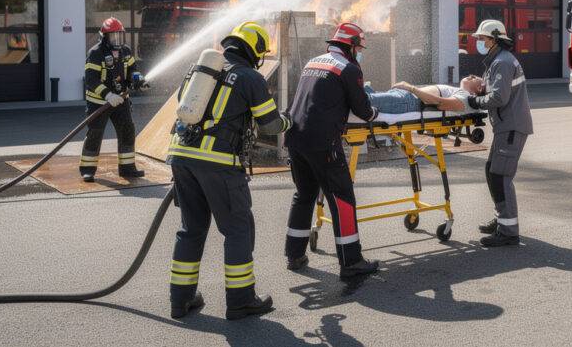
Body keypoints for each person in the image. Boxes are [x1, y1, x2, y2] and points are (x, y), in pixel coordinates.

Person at [166, 21, 292, 320]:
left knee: (191, 229)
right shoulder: (250, 77)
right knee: (238, 229)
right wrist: (290, 119)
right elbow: (271, 125)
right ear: (255, 52)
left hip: (181, 155)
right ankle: (241, 299)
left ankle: (180, 299)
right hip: (218, 162)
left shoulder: (199, 71)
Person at [284, 22, 381, 278]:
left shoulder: (312, 62)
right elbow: (362, 109)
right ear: (350, 45)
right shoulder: (348, 69)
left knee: (304, 195)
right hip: (323, 143)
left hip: (295, 139)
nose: (359, 52)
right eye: (358, 47)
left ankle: (294, 255)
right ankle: (351, 262)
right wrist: (374, 114)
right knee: (342, 199)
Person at [466, 19, 533, 247]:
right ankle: (501, 220)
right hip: (506, 126)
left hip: (511, 127)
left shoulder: (502, 62)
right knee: (492, 171)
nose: (479, 43)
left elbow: (499, 98)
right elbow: (497, 91)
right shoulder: (498, 60)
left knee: (501, 176)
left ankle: (508, 232)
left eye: (482, 39)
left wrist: (474, 101)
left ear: (494, 39)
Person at [80, 17, 146, 182]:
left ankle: (127, 168)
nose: (117, 40)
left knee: (127, 131)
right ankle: (87, 169)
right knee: (95, 133)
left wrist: (138, 80)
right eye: (113, 36)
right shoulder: (95, 53)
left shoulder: (126, 51)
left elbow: (132, 70)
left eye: (119, 36)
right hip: (99, 103)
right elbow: (91, 80)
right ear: (104, 37)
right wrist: (108, 95)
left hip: (121, 101)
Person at [365, 76, 485, 114]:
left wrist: (411, 88)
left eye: (475, 78)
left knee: (364, 98)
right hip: (405, 96)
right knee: (363, 90)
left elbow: (441, 104)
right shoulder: (459, 91)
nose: (471, 75)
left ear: (478, 89)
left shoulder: (466, 98)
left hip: (409, 101)